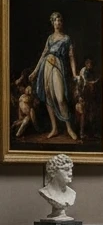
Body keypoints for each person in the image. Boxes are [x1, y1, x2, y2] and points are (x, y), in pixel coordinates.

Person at [28, 11, 78, 140]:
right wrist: (35, 71)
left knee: (60, 98)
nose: (57, 23)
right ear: (52, 22)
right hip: (46, 67)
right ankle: (54, 128)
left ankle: (69, 128)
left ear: (62, 23)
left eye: (60, 20)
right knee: (48, 97)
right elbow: (44, 54)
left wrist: (74, 74)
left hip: (58, 67)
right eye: (55, 20)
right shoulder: (50, 38)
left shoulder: (66, 38)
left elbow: (71, 57)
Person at [38, 153, 76, 221]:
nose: (70, 174)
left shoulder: (72, 193)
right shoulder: (46, 192)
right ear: (53, 172)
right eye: (66, 169)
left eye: (71, 169)